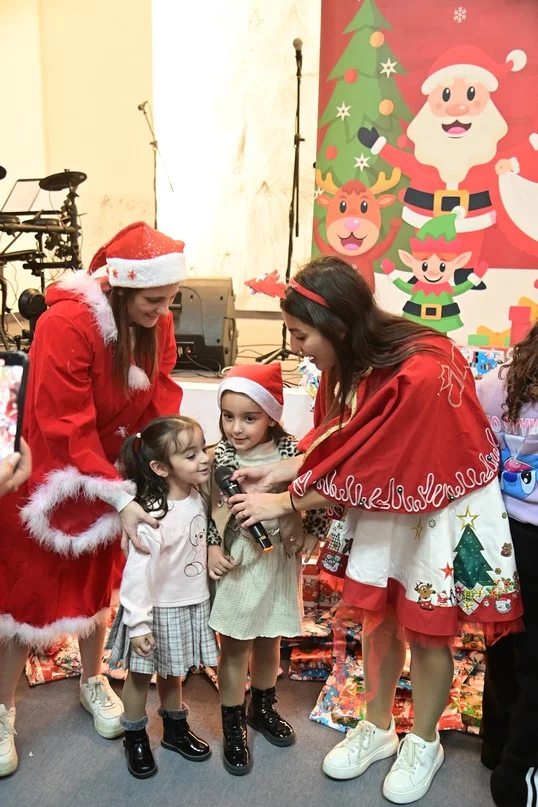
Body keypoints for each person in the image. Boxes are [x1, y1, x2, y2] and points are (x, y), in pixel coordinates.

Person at [227, 257, 523, 804]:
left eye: (299, 334)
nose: (295, 347)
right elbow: (345, 436)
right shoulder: (353, 361)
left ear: (336, 324)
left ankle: (425, 741)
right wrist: (289, 468)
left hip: (437, 503)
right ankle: (378, 725)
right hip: (383, 500)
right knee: (378, 613)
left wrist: (286, 499)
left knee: (428, 625)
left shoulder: (424, 370)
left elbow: (385, 464)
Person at [0, 221, 186, 779]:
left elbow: (161, 397)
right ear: (123, 288)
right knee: (24, 596)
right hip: (47, 471)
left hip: (110, 468)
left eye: (171, 299)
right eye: (154, 300)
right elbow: (64, 423)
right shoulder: (66, 323)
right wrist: (118, 493)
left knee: (100, 583)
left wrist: (164, 466)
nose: (163, 310)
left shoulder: (158, 320)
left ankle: (91, 679)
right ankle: (2, 709)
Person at [206, 363, 326, 775]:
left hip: (279, 560)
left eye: (249, 417)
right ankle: (233, 722)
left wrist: (313, 528)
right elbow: (206, 507)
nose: (236, 428)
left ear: (271, 415)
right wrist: (209, 547)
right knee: (236, 642)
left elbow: (318, 485)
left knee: (270, 635)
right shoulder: (219, 455)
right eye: (228, 416)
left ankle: (263, 705)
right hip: (241, 560)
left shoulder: (291, 450)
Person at [106, 415, 219, 779]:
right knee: (140, 678)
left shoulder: (198, 495)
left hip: (188, 602)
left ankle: (174, 729)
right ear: (160, 467)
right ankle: (135, 737)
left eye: (202, 448)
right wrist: (137, 623)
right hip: (154, 611)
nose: (202, 459)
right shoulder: (154, 514)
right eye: (190, 455)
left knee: (174, 674)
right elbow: (136, 574)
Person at [476, 323, 538, 807]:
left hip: (499, 529)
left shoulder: (498, 380)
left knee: (501, 641)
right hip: (534, 532)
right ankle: (519, 778)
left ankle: (496, 747)